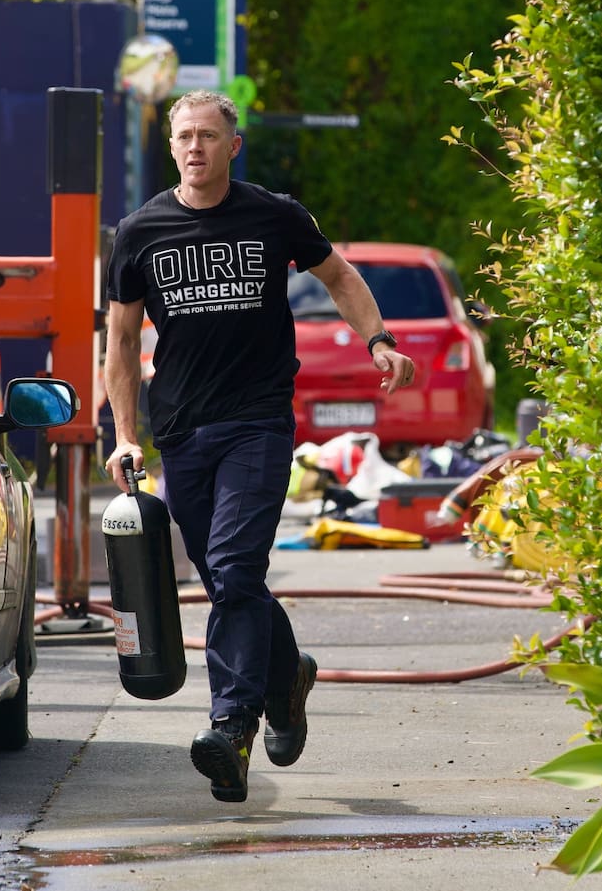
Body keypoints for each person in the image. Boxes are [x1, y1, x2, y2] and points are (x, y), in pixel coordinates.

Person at [102, 89, 417, 803]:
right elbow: (120, 340)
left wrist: (379, 339)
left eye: (208, 136)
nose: (194, 148)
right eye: (183, 136)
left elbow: (339, 275)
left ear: (232, 145)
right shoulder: (139, 231)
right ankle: (287, 676)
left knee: (237, 567)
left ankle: (233, 725)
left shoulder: (273, 214)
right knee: (222, 576)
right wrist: (125, 435)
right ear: (171, 145)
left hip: (259, 421)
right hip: (182, 429)